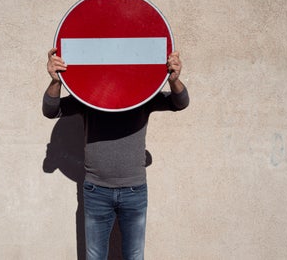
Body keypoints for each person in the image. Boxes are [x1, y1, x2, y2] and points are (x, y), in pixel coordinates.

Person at [43, 47, 189, 260]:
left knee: (134, 256)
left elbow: (180, 102)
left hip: (134, 191)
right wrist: (55, 81)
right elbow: (51, 110)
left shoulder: (142, 95)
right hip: (96, 191)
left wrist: (174, 79)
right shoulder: (88, 95)